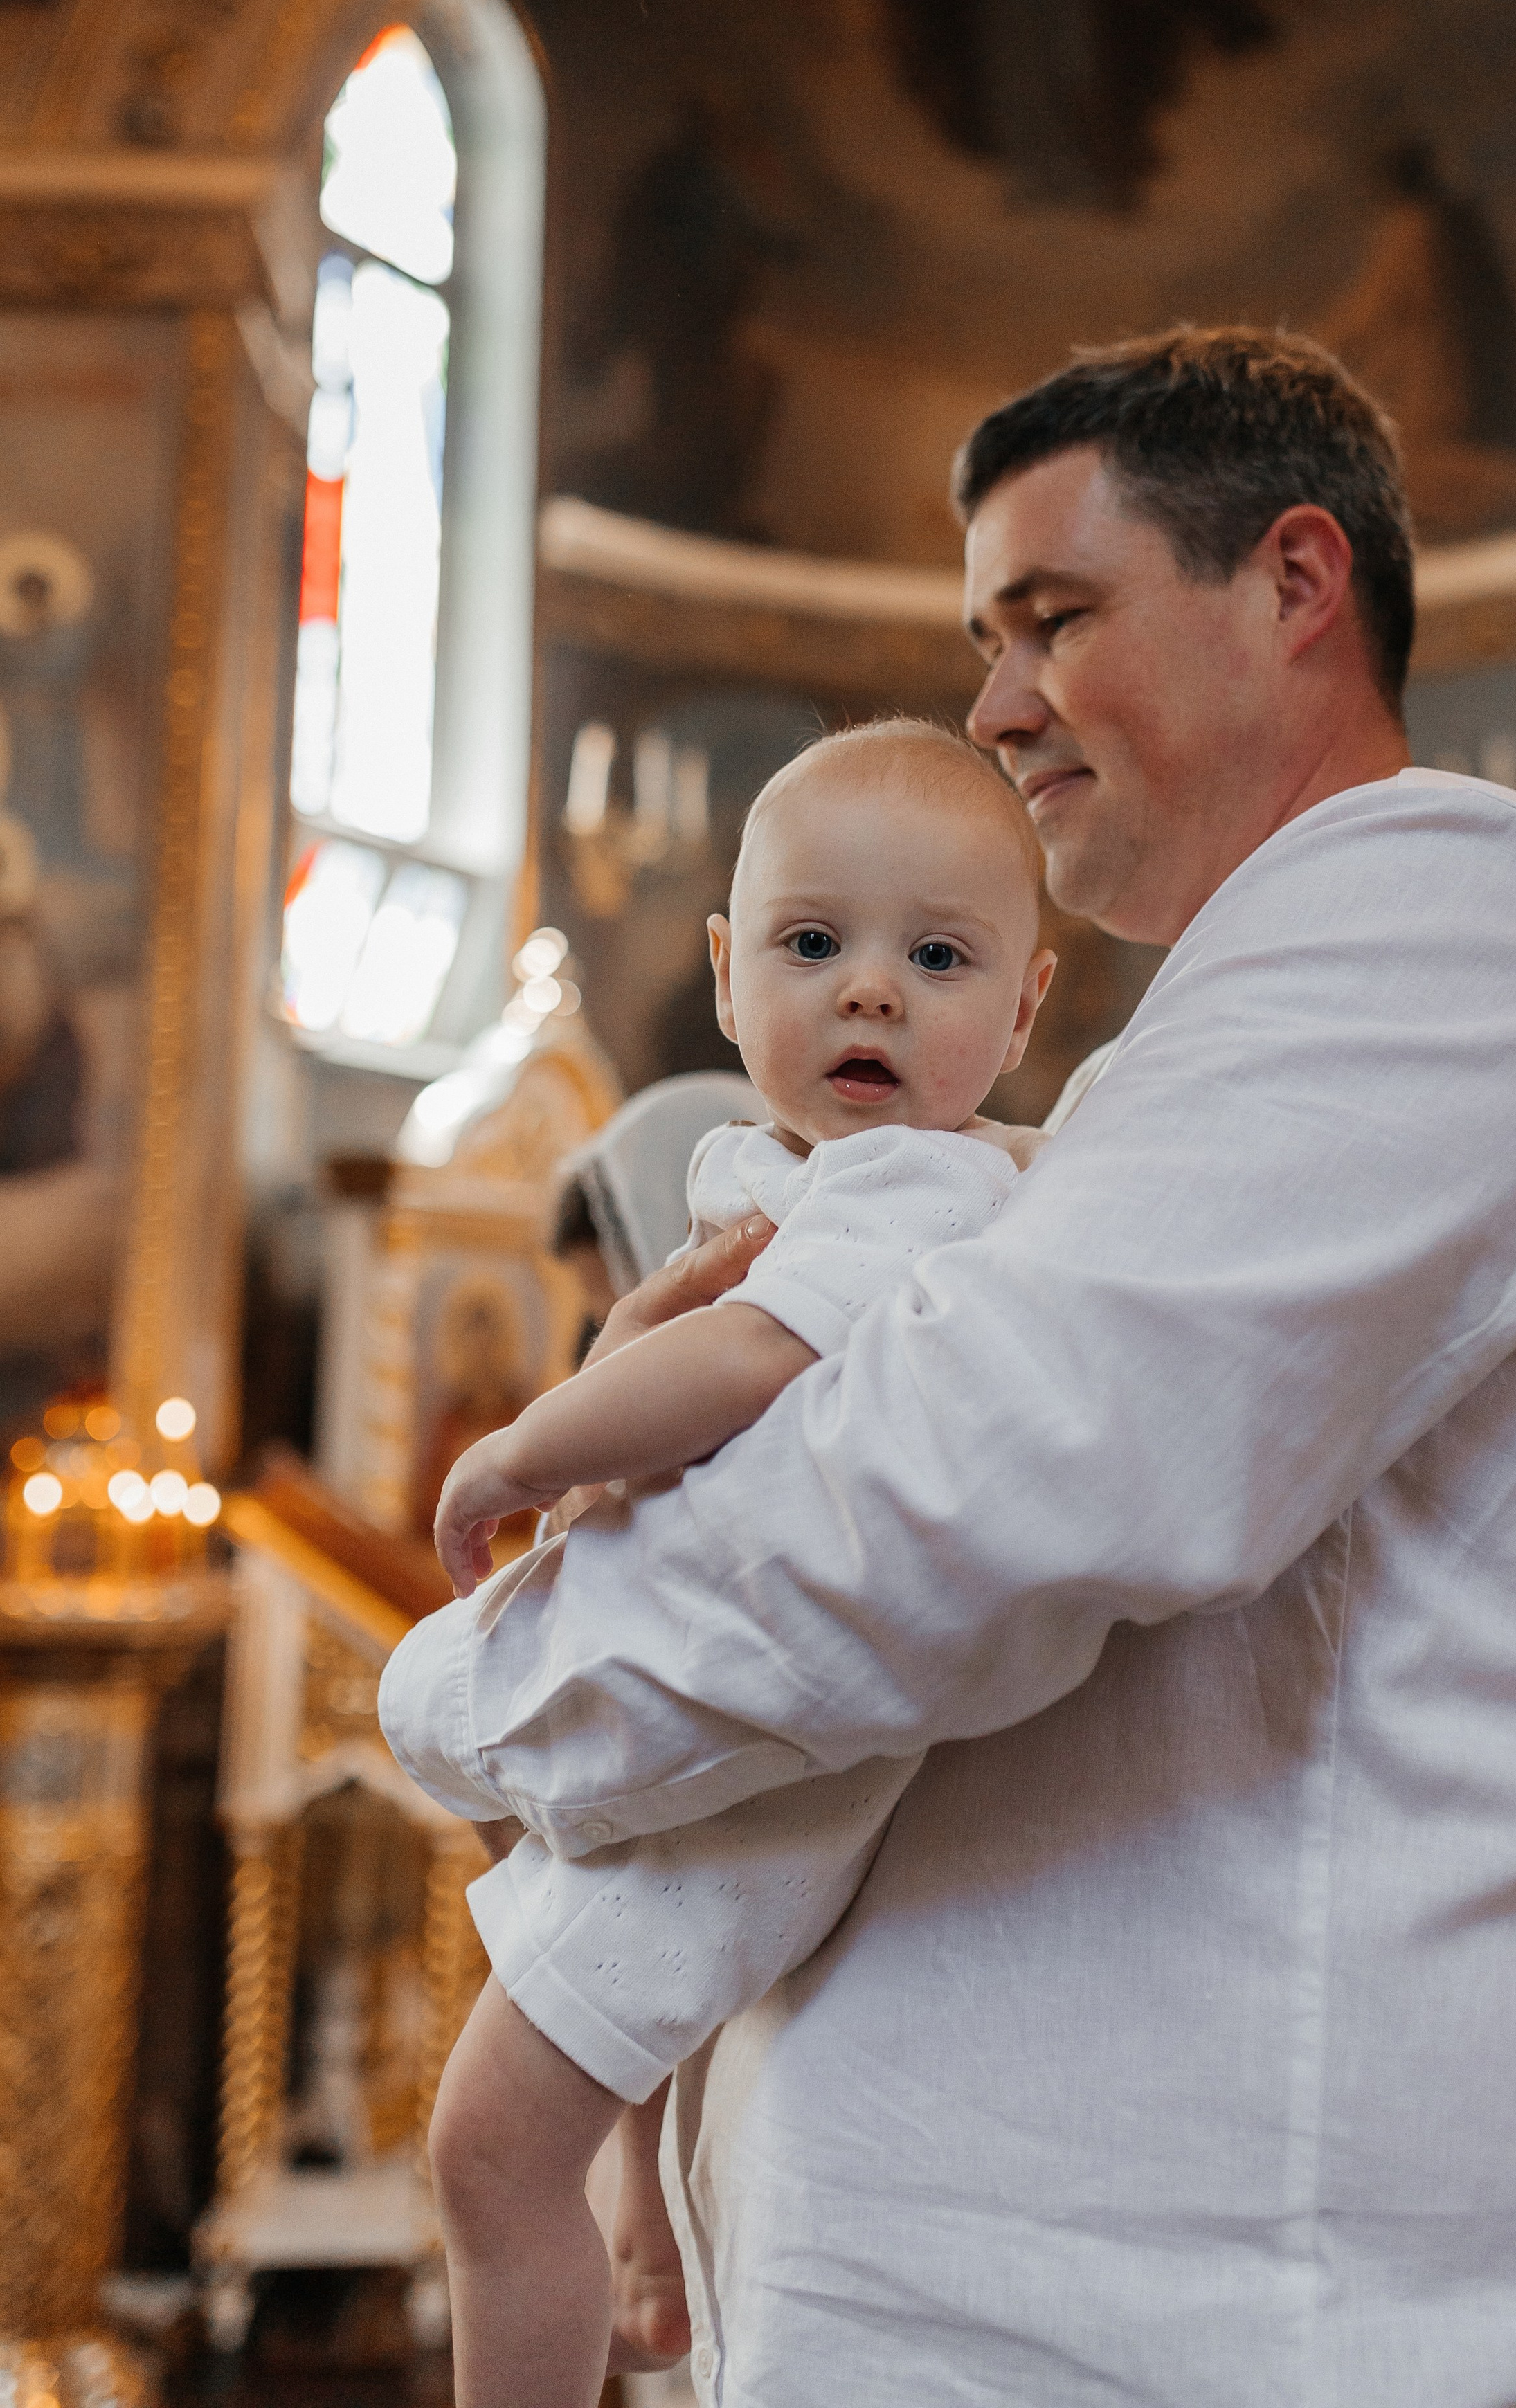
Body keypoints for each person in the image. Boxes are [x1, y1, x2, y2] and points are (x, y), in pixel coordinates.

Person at [415, 323, 1516, 2408]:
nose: (990, 702)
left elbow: (960, 1492)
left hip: (1239, 2335)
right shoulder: (1152, 1091)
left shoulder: (1444, 926)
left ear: (1295, 582)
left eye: (1053, 618)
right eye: (982, 635)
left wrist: (468, 1693)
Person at [381, 719, 1055, 2404]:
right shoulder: (805, 1173)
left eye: (939, 955)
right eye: (812, 944)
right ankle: (650, 2230)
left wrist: (536, 1436)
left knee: (481, 2155)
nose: (870, 992)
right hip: (713, 1747)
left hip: (742, 1787)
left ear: (1028, 1007)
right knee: (570, 2105)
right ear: (723, 962)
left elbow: (752, 1356)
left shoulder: (915, 1186)